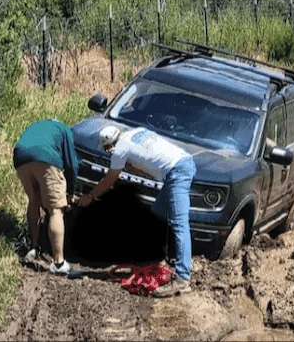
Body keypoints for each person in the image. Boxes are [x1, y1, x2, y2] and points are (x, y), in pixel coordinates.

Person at [81, 125, 196, 297]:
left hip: (177, 172)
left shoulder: (120, 149)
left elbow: (110, 180)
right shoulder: (136, 132)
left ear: (110, 145)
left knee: (180, 224)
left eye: (107, 149)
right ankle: (157, 259)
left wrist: (90, 196)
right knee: (157, 213)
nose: (109, 152)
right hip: (183, 163)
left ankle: (182, 278)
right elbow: (147, 164)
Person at [13, 118, 81, 275]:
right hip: (46, 158)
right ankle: (59, 264)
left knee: (33, 201)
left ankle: (33, 249)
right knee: (55, 210)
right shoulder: (64, 130)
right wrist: (71, 191)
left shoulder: (36, 124)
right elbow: (72, 165)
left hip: (21, 158)